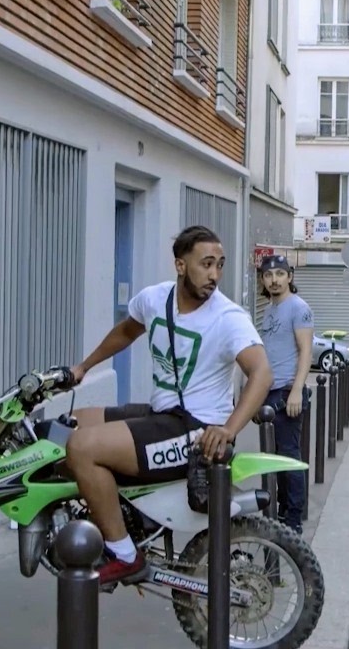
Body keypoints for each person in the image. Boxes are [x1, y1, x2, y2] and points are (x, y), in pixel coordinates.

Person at [66, 225, 272, 587]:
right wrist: (84, 367)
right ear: (180, 265)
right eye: (206, 264)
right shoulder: (154, 299)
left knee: (82, 448)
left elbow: (261, 373)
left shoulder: (228, 318)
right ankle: (115, 515)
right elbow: (127, 330)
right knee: (71, 424)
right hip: (164, 415)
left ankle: (125, 555)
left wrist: (228, 429)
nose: (214, 275)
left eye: (219, 265)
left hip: (197, 430)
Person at [256, 254, 314, 534]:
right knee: (274, 457)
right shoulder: (268, 310)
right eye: (269, 275)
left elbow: (305, 351)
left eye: (280, 274)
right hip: (269, 392)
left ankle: (293, 518)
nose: (274, 279)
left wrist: (296, 390)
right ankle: (280, 511)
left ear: (290, 276)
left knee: (289, 456)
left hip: (287, 392)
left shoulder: (298, 308)